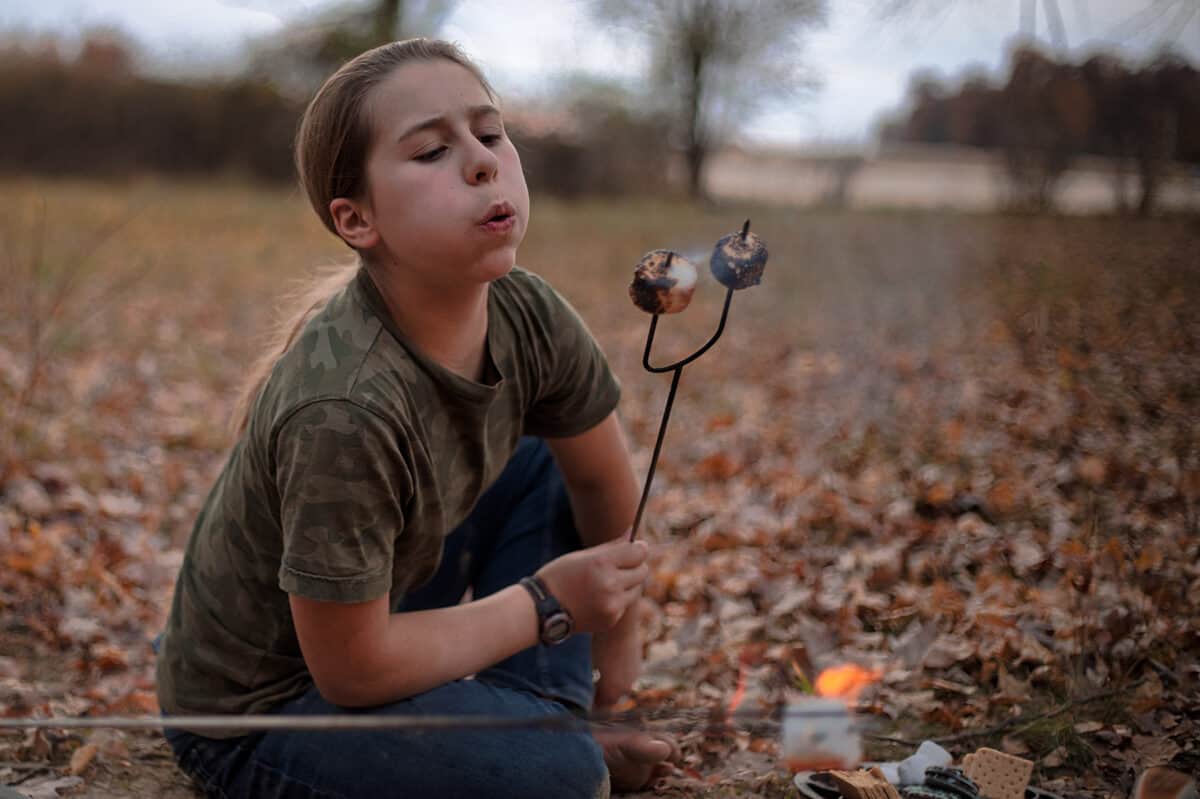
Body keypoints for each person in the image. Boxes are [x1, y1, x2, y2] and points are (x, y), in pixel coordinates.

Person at [155, 37, 676, 799]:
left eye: (491, 132)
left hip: (383, 610)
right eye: (432, 150)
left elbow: (601, 482)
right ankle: (549, 747)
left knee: (544, 462)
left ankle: (539, 733)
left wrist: (618, 635)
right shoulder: (343, 407)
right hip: (266, 711)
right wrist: (549, 605)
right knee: (557, 781)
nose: (482, 161)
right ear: (357, 219)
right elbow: (350, 668)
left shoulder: (528, 313)